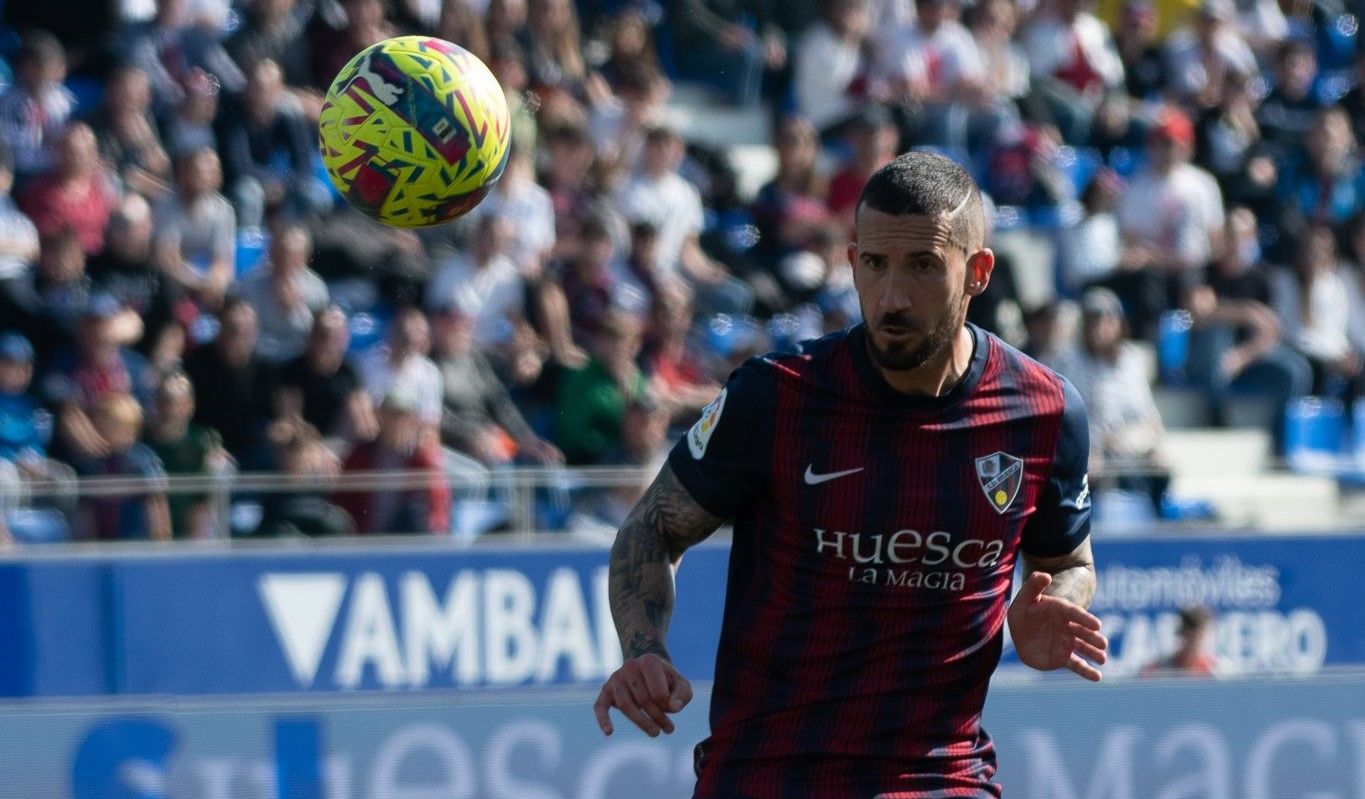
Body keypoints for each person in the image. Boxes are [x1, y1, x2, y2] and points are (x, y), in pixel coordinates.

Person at [593, 152, 1107, 797]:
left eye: (923, 265)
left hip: (939, 777)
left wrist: (1055, 603)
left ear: (977, 272)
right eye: (874, 264)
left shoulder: (1045, 411)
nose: (891, 296)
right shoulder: (775, 397)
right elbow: (652, 529)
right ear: (852, 260)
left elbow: (1068, 560)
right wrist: (643, 648)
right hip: (768, 774)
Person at [1141, 605, 1219, 676]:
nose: (1195, 638)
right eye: (1190, 632)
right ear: (1181, 633)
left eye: (1200, 633)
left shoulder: (1216, 670)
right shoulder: (1158, 669)